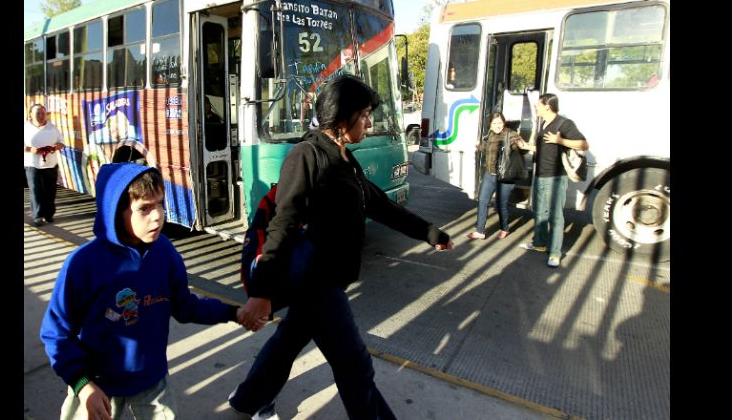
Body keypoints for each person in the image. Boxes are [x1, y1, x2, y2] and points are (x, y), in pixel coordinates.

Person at [229, 75, 455, 420]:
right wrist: (261, 292)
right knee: (356, 368)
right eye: (363, 114)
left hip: (324, 280)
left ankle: (247, 401)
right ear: (342, 116)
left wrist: (429, 232)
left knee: (286, 344)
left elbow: (378, 204)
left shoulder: (344, 157)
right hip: (318, 284)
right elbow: (283, 224)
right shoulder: (307, 156)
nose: (369, 121)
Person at [40, 163, 259, 420]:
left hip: (151, 379)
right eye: (144, 208)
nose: (157, 216)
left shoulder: (164, 253)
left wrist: (235, 313)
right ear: (116, 212)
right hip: (96, 383)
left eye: (160, 204)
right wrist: (82, 385)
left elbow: (185, 306)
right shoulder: (83, 264)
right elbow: (56, 333)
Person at [516, 93, 588, 268]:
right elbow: (544, 149)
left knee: (555, 217)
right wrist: (528, 147)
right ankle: (540, 243)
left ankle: (555, 253)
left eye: (539, 105)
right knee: (540, 212)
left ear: (547, 106)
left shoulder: (564, 123)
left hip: (556, 178)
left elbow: (584, 144)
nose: (536, 108)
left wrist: (560, 140)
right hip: (540, 176)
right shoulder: (544, 124)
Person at [467, 112, 522, 240]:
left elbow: (521, 148)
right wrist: (479, 146)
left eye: (500, 123)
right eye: (495, 123)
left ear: (504, 123)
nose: (498, 125)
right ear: (490, 125)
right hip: (490, 174)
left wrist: (521, 146)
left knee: (500, 204)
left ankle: (505, 228)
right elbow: (487, 148)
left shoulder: (511, 135)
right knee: (482, 201)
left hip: (505, 176)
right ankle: (480, 231)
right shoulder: (491, 135)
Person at [24, 103, 65, 226]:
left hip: (51, 165)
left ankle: (48, 214)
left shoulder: (53, 128)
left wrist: (54, 147)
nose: (41, 115)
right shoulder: (26, 127)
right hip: (32, 165)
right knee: (36, 190)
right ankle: (37, 216)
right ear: (31, 115)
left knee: (50, 191)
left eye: (42, 113)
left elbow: (61, 143)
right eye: (37, 113)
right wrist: (30, 149)